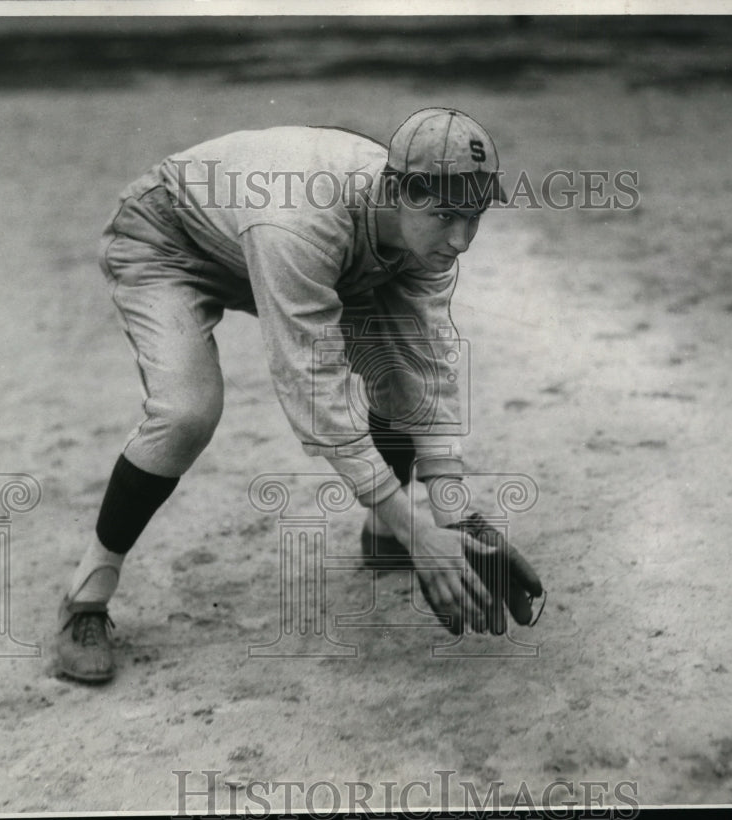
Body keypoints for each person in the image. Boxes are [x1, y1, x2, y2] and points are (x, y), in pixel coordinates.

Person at [57, 108, 508, 683]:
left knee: (398, 362)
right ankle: (85, 598)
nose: (461, 240)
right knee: (186, 412)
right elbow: (314, 393)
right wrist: (418, 526)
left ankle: (387, 537)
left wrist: (455, 515)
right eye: (446, 214)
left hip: (294, 246)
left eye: (474, 216)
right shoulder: (301, 223)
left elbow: (427, 364)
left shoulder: (424, 237)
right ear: (395, 190)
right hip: (170, 238)